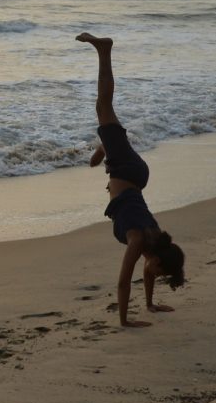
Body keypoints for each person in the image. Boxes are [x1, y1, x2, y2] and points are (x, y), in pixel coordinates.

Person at [76, 32, 185, 328]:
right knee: (104, 106)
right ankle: (104, 50)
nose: (154, 275)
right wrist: (125, 322)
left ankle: (106, 148)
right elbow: (124, 282)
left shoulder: (154, 241)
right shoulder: (139, 240)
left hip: (133, 175)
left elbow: (147, 271)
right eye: (159, 272)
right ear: (158, 259)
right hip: (126, 169)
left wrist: (150, 305)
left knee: (104, 115)